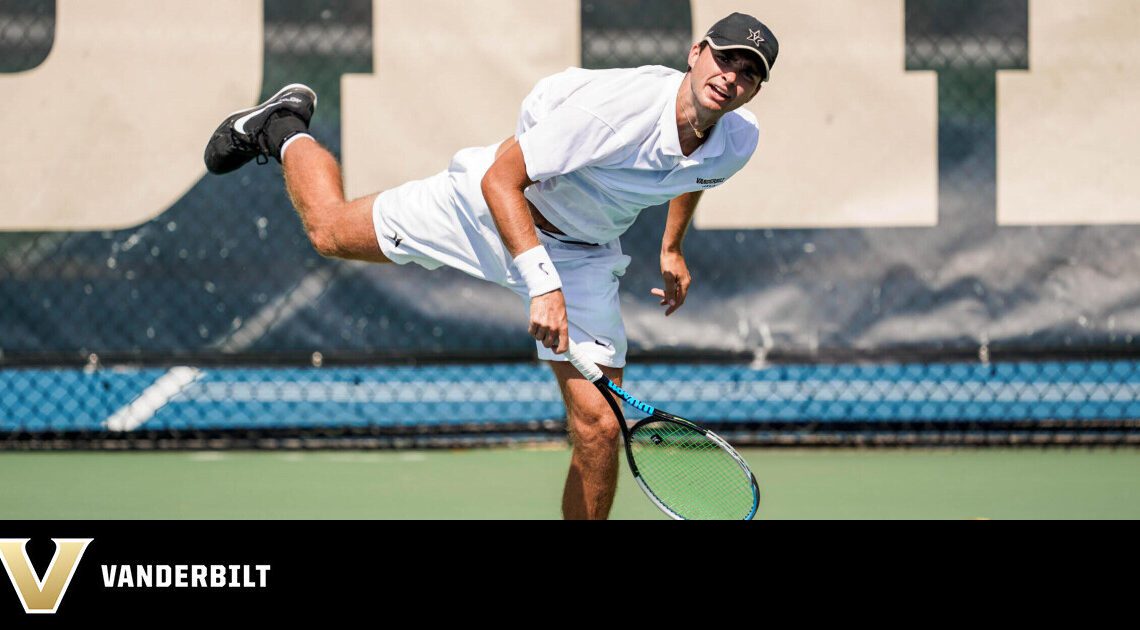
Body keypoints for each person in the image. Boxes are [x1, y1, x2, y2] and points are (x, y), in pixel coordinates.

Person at [203, 12, 778, 519]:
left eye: (748, 72)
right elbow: (500, 178)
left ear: (754, 89)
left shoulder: (738, 139)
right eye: (724, 58)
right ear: (696, 53)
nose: (731, 76)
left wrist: (671, 247)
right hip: (486, 207)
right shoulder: (617, 112)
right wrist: (541, 282)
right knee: (329, 232)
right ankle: (282, 126)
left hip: (582, 253)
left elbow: (694, 175)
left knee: (600, 428)